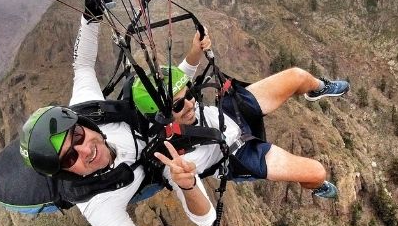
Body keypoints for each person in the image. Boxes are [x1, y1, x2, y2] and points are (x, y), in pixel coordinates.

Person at [20, 0, 224, 226]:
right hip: (141, 174)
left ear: (84, 124)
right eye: (71, 157)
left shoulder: (88, 109)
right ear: (66, 173)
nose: (85, 149)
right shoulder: (98, 205)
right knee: (191, 195)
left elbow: (83, 67)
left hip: (144, 134)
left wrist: (90, 17)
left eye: (78, 137)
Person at [133, 40, 349, 198]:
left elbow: (186, 71)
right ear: (160, 117)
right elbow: (195, 202)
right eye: (178, 106)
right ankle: (316, 187)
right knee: (317, 173)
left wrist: (197, 48)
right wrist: (185, 182)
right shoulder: (175, 157)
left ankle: (319, 88)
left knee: (297, 76)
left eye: (189, 95)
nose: (190, 104)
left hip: (228, 112)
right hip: (239, 155)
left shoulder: (171, 97)